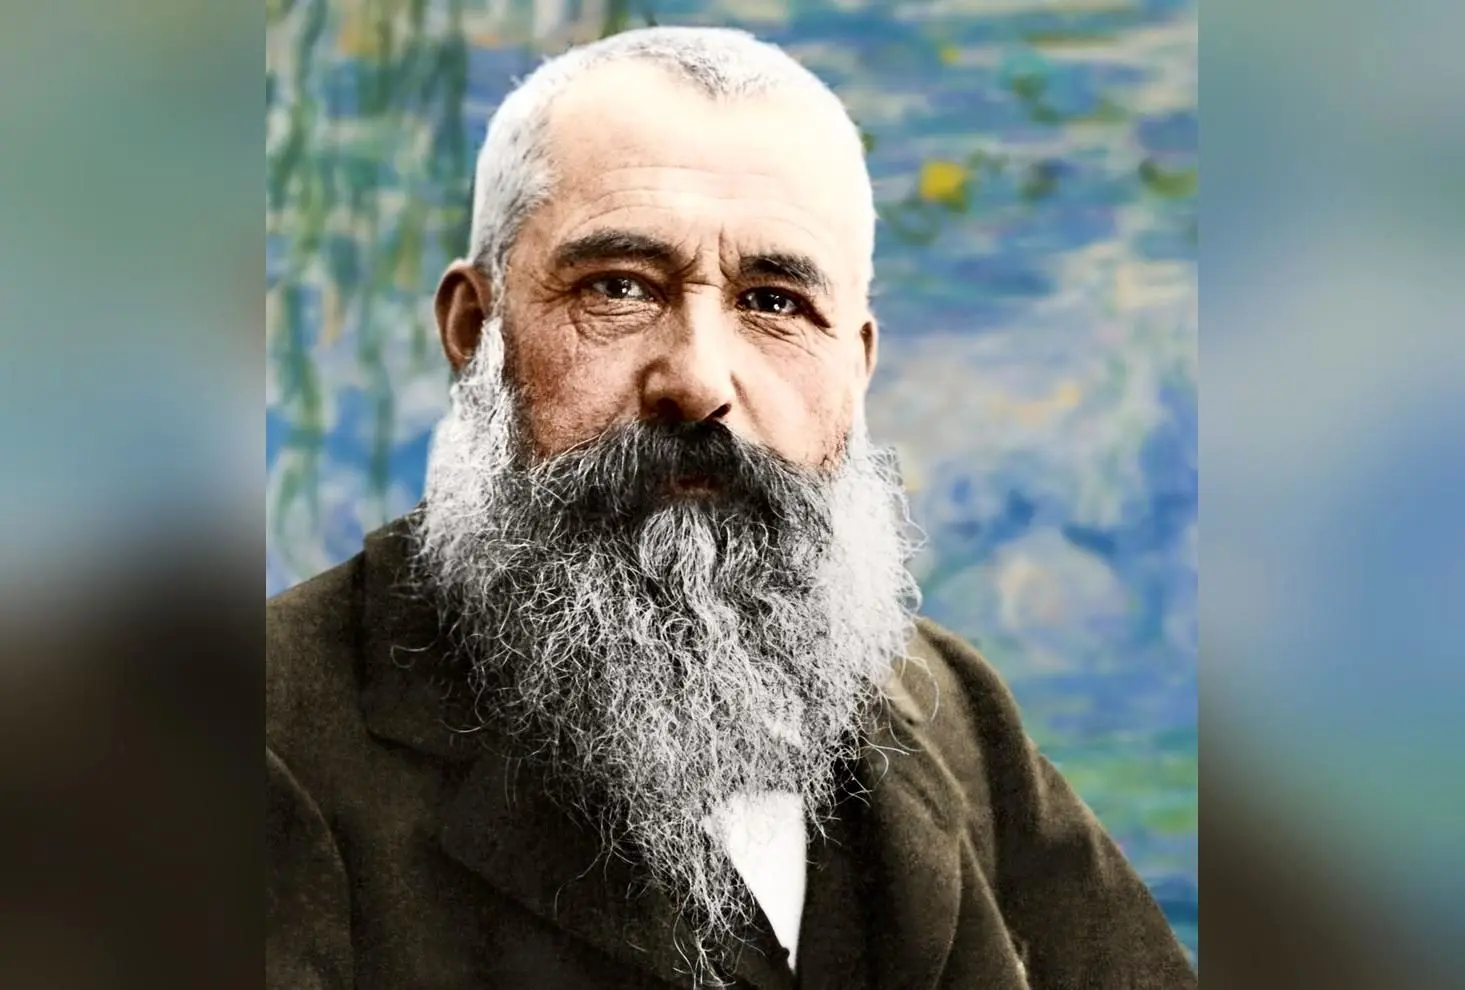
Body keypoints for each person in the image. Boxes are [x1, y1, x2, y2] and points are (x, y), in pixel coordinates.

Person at [266, 25, 1196, 990]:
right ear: (475, 329)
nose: (699, 379)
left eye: (775, 302)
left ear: (856, 366)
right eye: (619, 289)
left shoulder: (951, 709)